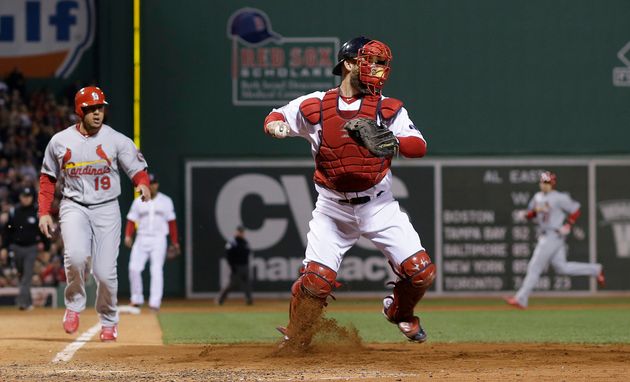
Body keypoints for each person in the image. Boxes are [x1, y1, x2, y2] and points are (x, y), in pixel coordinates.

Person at [263, 36, 436, 346]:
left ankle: (399, 312)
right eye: (370, 61)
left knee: (420, 272)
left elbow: (419, 146)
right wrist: (276, 127)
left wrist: (393, 142)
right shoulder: (315, 104)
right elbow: (277, 117)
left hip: (378, 205)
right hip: (333, 208)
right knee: (316, 280)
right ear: (349, 64)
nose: (379, 70)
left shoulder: (387, 108)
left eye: (382, 64)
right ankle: (297, 335)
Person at [38, 86, 151, 342]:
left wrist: (141, 184)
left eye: (100, 108)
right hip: (73, 205)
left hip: (107, 207)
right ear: (80, 111)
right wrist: (44, 211)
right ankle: (74, 305)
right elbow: (47, 179)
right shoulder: (60, 141)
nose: (97, 113)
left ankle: (109, 321)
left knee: (104, 271)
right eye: (91, 109)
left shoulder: (116, 140)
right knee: (76, 257)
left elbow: (137, 169)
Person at [505, 171, 605, 309]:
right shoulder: (537, 197)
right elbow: (534, 213)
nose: (544, 185)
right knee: (562, 268)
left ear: (552, 184)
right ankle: (595, 269)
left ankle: (521, 298)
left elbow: (576, 209)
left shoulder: (559, 197)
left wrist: (568, 225)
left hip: (553, 235)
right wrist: (526, 215)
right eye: (542, 182)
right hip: (547, 234)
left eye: (547, 183)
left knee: (534, 267)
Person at [124, 173, 179, 311]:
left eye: (154, 183)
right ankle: (136, 299)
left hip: (159, 239)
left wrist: (174, 241)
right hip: (141, 237)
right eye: (150, 183)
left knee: (156, 270)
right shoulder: (138, 201)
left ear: (157, 184)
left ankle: (155, 302)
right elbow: (131, 220)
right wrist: (128, 236)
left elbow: (172, 223)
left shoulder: (166, 201)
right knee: (134, 268)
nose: (152, 185)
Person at [1, 187, 46, 310]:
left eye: (28, 196)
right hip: (16, 248)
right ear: (20, 197)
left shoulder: (37, 212)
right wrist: (4, 247)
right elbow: (7, 231)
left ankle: (22, 303)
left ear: (32, 197)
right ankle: (28, 301)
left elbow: (42, 231)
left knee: (27, 275)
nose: (26, 199)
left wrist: (46, 247)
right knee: (22, 275)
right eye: (23, 196)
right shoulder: (14, 212)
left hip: (31, 248)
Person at [216, 226, 253, 306]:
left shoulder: (245, 242)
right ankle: (220, 299)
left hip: (244, 266)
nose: (241, 233)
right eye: (239, 231)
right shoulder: (232, 242)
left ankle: (249, 300)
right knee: (231, 284)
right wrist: (232, 266)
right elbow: (228, 255)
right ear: (236, 232)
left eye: (242, 231)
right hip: (236, 266)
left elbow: (248, 253)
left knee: (247, 284)